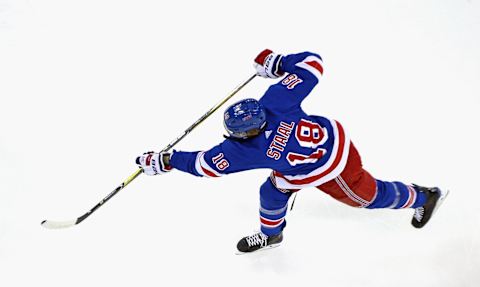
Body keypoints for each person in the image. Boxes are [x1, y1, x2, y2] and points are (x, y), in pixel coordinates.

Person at [136, 49, 448, 253]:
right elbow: (314, 63)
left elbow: (205, 165)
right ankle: (272, 234)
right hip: (327, 139)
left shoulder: (243, 151)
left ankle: (424, 196)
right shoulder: (274, 100)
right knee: (271, 192)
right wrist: (278, 63)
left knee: (364, 197)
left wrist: (166, 160)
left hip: (328, 165)